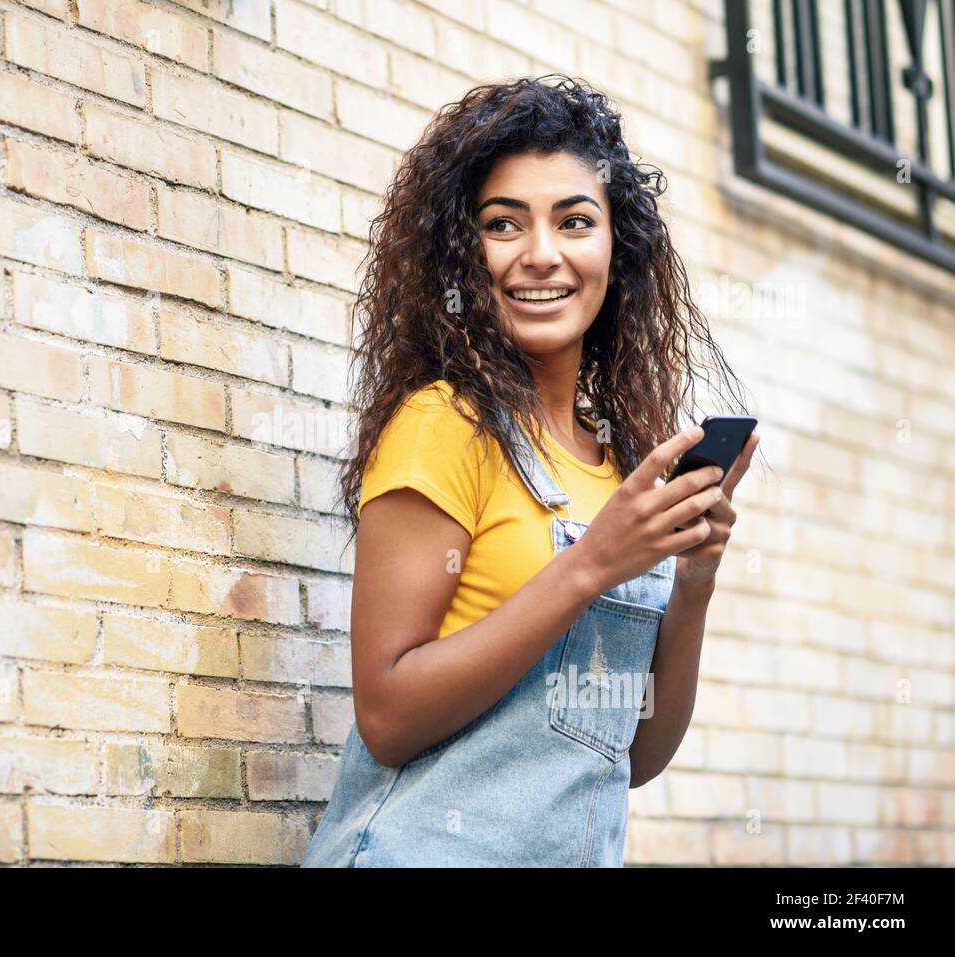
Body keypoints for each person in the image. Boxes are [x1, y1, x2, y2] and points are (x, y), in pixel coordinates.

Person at [301, 74, 766, 867]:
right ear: (462, 250)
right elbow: (386, 712)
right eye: (502, 224)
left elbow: (637, 754)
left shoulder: (619, 466)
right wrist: (590, 564)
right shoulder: (443, 425)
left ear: (617, 252)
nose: (540, 254)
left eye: (574, 221)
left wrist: (693, 581)